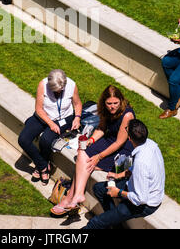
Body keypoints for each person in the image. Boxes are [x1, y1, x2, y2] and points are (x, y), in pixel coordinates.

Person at [51, 85, 135, 216]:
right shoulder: (105, 110)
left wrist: (99, 157)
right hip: (110, 140)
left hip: (124, 150)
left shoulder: (127, 115)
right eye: (109, 103)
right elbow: (101, 128)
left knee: (85, 164)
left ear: (121, 101)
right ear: (104, 102)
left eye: (115, 103)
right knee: (82, 152)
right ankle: (77, 196)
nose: (112, 107)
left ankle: (69, 199)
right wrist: (91, 140)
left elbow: (120, 142)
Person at [83, 119, 165, 229]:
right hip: (136, 188)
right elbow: (137, 168)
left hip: (144, 204)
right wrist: (119, 175)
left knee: (95, 222)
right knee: (99, 189)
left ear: (129, 138)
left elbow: (140, 199)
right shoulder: (150, 144)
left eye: (126, 129)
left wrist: (119, 192)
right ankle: (114, 223)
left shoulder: (142, 162)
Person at [18, 69, 82, 186]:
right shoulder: (43, 85)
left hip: (63, 119)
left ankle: (41, 167)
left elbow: (77, 104)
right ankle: (43, 166)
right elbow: (39, 109)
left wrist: (77, 117)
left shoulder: (72, 85)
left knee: (46, 140)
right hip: (43, 116)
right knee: (23, 139)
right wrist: (51, 123)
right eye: (54, 91)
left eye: (60, 91)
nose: (57, 93)